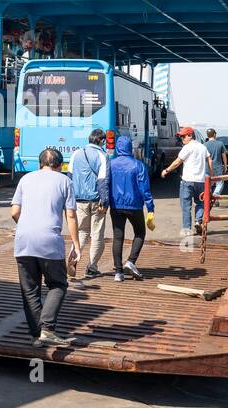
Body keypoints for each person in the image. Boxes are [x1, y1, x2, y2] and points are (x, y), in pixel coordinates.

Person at [11, 147, 79, 346]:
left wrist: (27, 226)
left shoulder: (25, 179)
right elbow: (71, 215)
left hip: (23, 241)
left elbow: (14, 212)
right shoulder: (65, 181)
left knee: (30, 290)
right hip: (49, 242)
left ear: (40, 164)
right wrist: (76, 244)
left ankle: (37, 336)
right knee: (58, 284)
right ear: (60, 165)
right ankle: (48, 328)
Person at [107, 135, 155, 282]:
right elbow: (144, 188)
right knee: (140, 232)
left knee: (118, 236)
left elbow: (105, 183)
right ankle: (131, 261)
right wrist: (150, 207)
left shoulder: (110, 164)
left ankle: (118, 273)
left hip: (115, 205)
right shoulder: (138, 165)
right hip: (134, 205)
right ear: (130, 148)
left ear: (117, 147)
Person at [68, 129, 110, 278]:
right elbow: (103, 181)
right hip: (96, 201)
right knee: (97, 234)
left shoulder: (76, 154)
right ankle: (92, 268)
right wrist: (105, 201)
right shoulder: (103, 156)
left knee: (80, 232)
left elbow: (70, 177)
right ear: (102, 141)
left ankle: (73, 258)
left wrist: (70, 198)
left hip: (79, 200)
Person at [161, 126, 211, 236]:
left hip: (188, 181)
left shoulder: (187, 148)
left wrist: (166, 170)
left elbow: (178, 162)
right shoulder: (203, 147)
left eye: (183, 136)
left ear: (190, 136)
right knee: (200, 202)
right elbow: (209, 159)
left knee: (186, 205)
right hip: (201, 181)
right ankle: (198, 221)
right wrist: (210, 174)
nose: (182, 139)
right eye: (181, 137)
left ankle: (187, 229)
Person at [203, 129, 228, 198]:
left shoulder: (204, 145)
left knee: (208, 182)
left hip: (207, 167)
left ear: (207, 136)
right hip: (218, 167)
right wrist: (225, 166)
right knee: (219, 182)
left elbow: (202, 157)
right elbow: (224, 156)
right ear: (214, 134)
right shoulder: (220, 144)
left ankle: (208, 196)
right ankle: (215, 195)